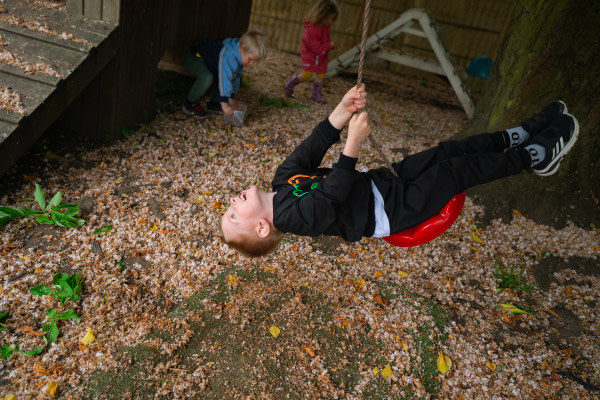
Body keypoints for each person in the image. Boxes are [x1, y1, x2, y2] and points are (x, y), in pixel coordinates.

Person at [219, 86, 579, 257]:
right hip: (392, 212)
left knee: (446, 151)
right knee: (454, 171)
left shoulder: (282, 183)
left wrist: (342, 112)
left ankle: (517, 135)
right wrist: (353, 144)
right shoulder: (294, 218)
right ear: (263, 227)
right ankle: (534, 156)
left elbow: (313, 145)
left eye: (229, 209)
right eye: (235, 215)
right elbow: (333, 194)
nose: (233, 203)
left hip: (380, 184)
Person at [182, 29, 267, 118]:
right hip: (194, 56)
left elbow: (235, 78)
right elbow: (225, 79)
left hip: (208, 63)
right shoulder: (229, 55)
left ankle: (213, 103)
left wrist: (230, 98)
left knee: (219, 76)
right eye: (250, 59)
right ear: (241, 49)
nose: (251, 63)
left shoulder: (239, 57)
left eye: (254, 61)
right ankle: (190, 103)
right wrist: (224, 104)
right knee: (207, 77)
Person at [284, 0, 339, 103]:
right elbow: (316, 48)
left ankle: (315, 95)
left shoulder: (325, 26)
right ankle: (289, 85)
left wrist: (330, 46)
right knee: (307, 75)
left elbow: (324, 41)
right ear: (323, 15)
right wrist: (329, 45)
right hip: (310, 55)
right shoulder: (313, 29)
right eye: (331, 18)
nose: (332, 21)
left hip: (321, 56)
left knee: (321, 74)